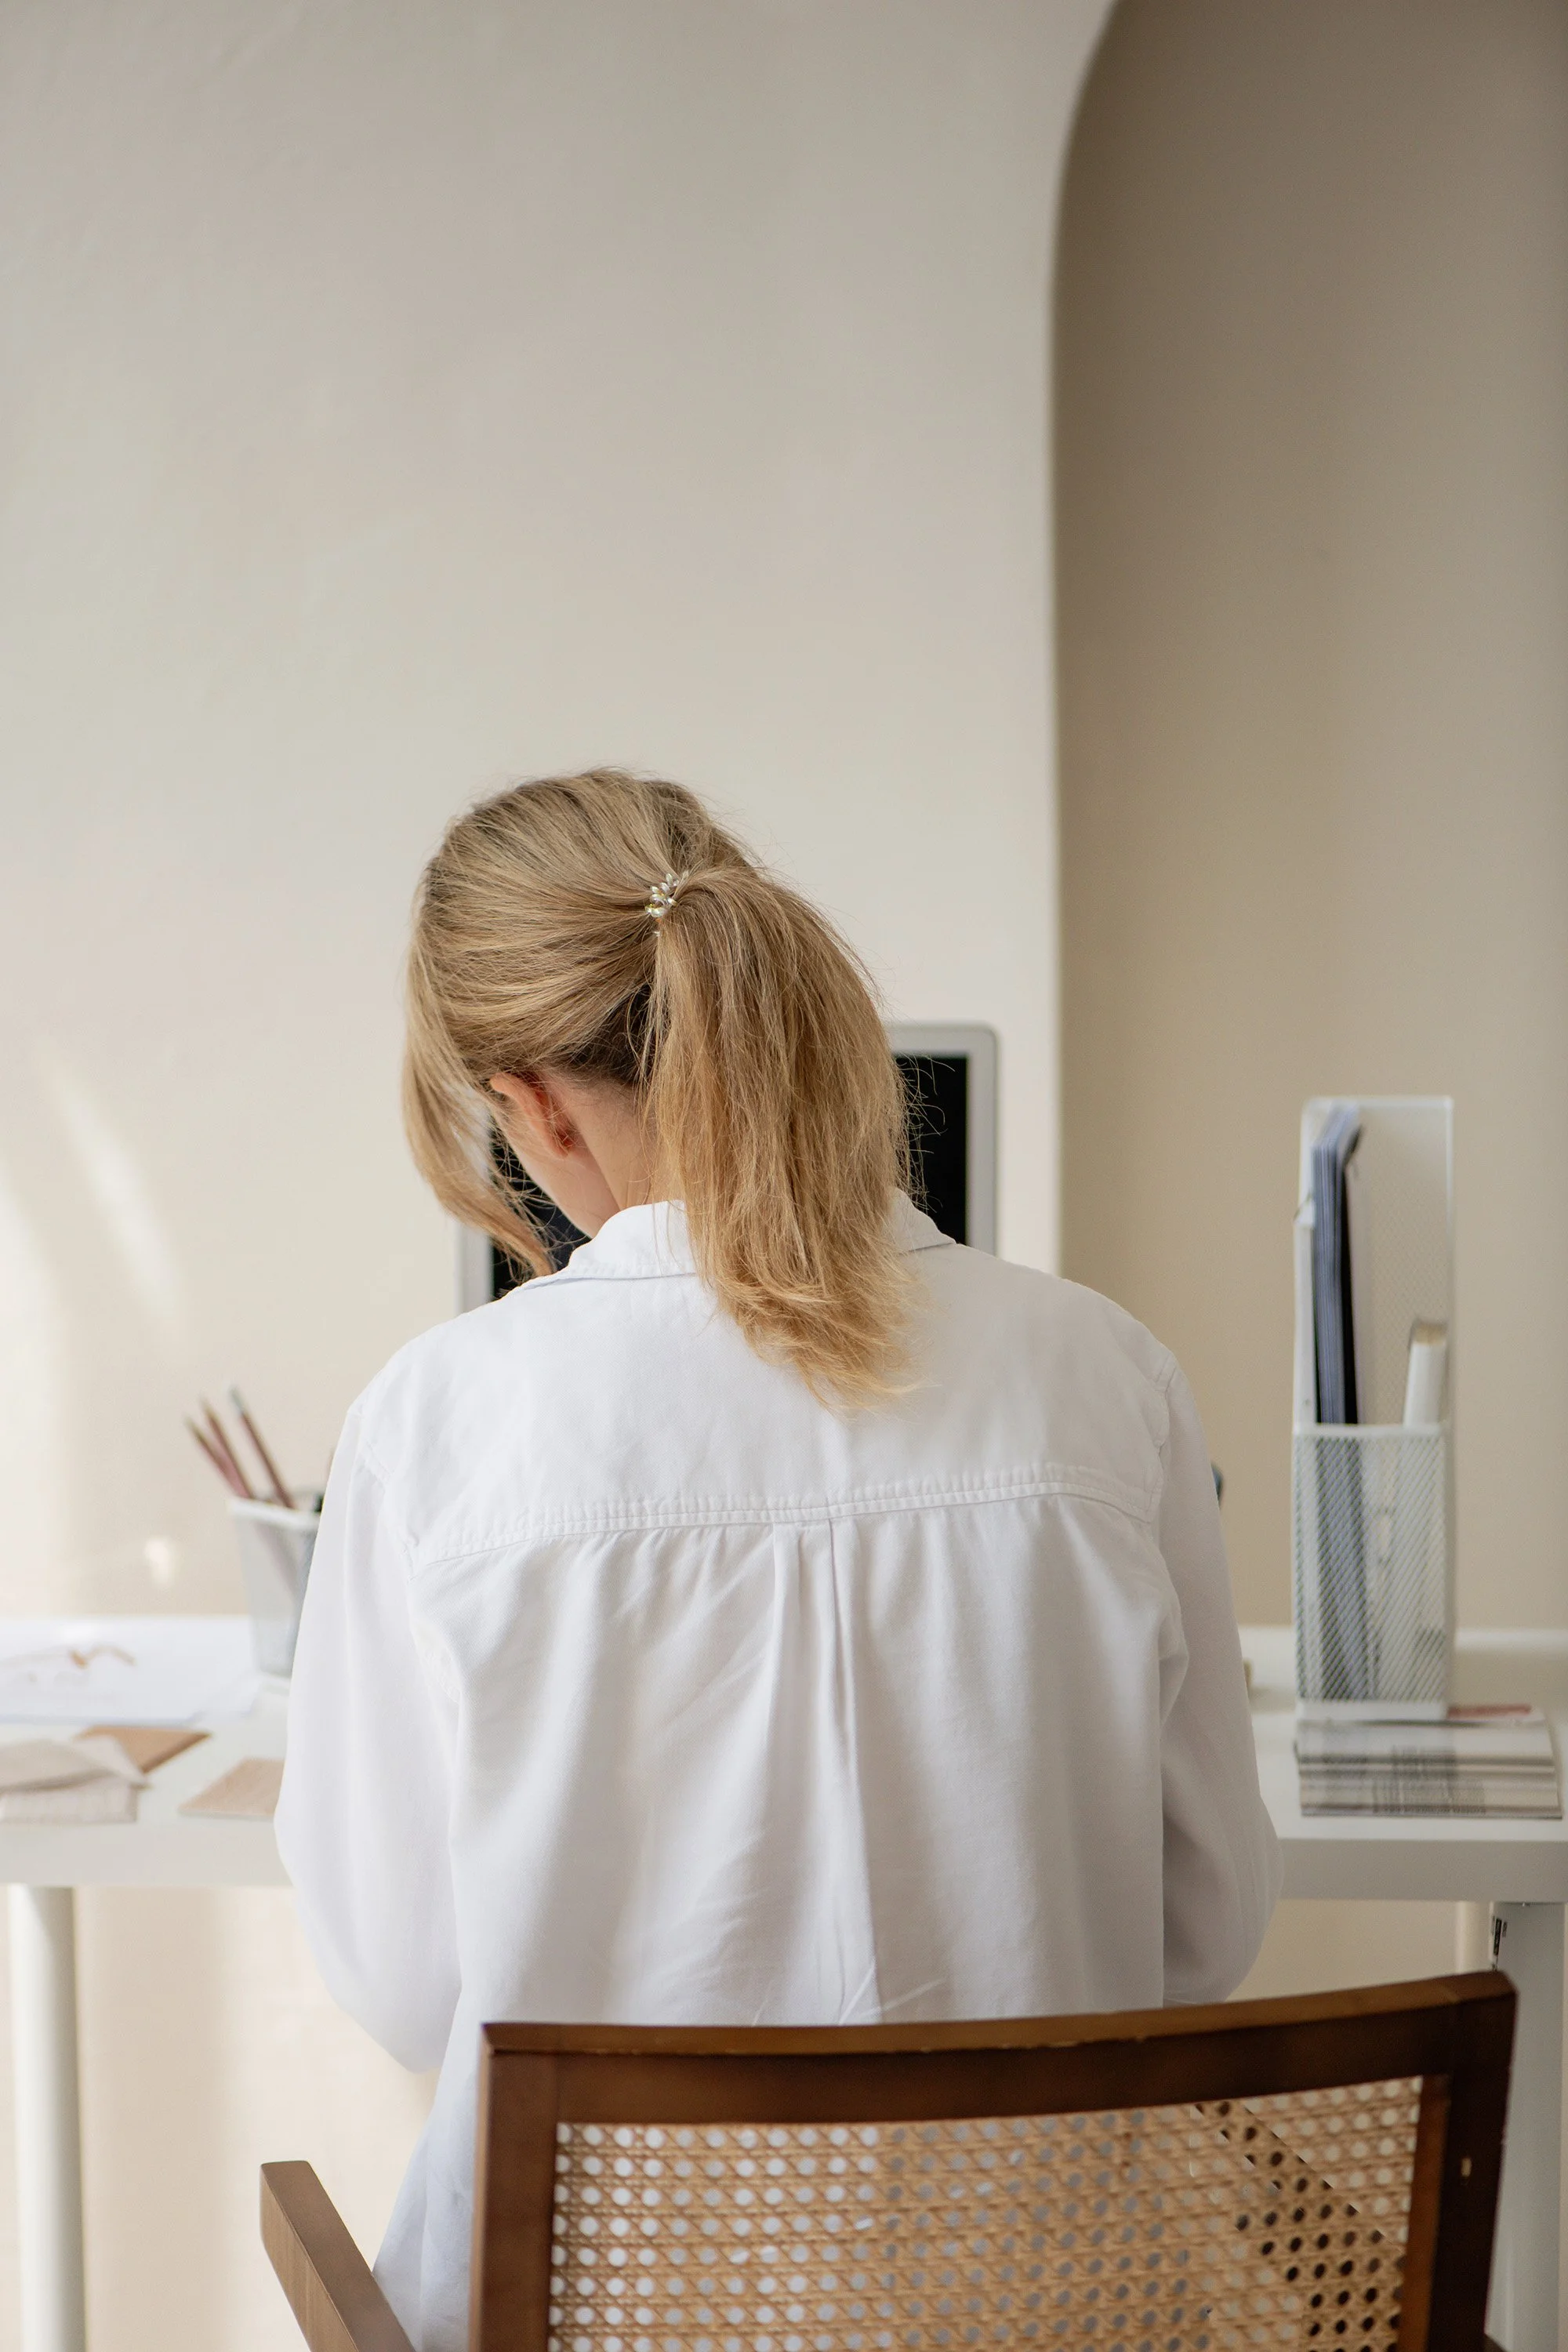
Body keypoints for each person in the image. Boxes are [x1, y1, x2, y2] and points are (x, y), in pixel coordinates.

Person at [276, 768, 1280, 2352]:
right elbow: (1202, 1930)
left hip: (596, 2317)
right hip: (1054, 2314)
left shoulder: (438, 1425)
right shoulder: (1105, 1377)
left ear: (530, 1102)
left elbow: (401, 1975)